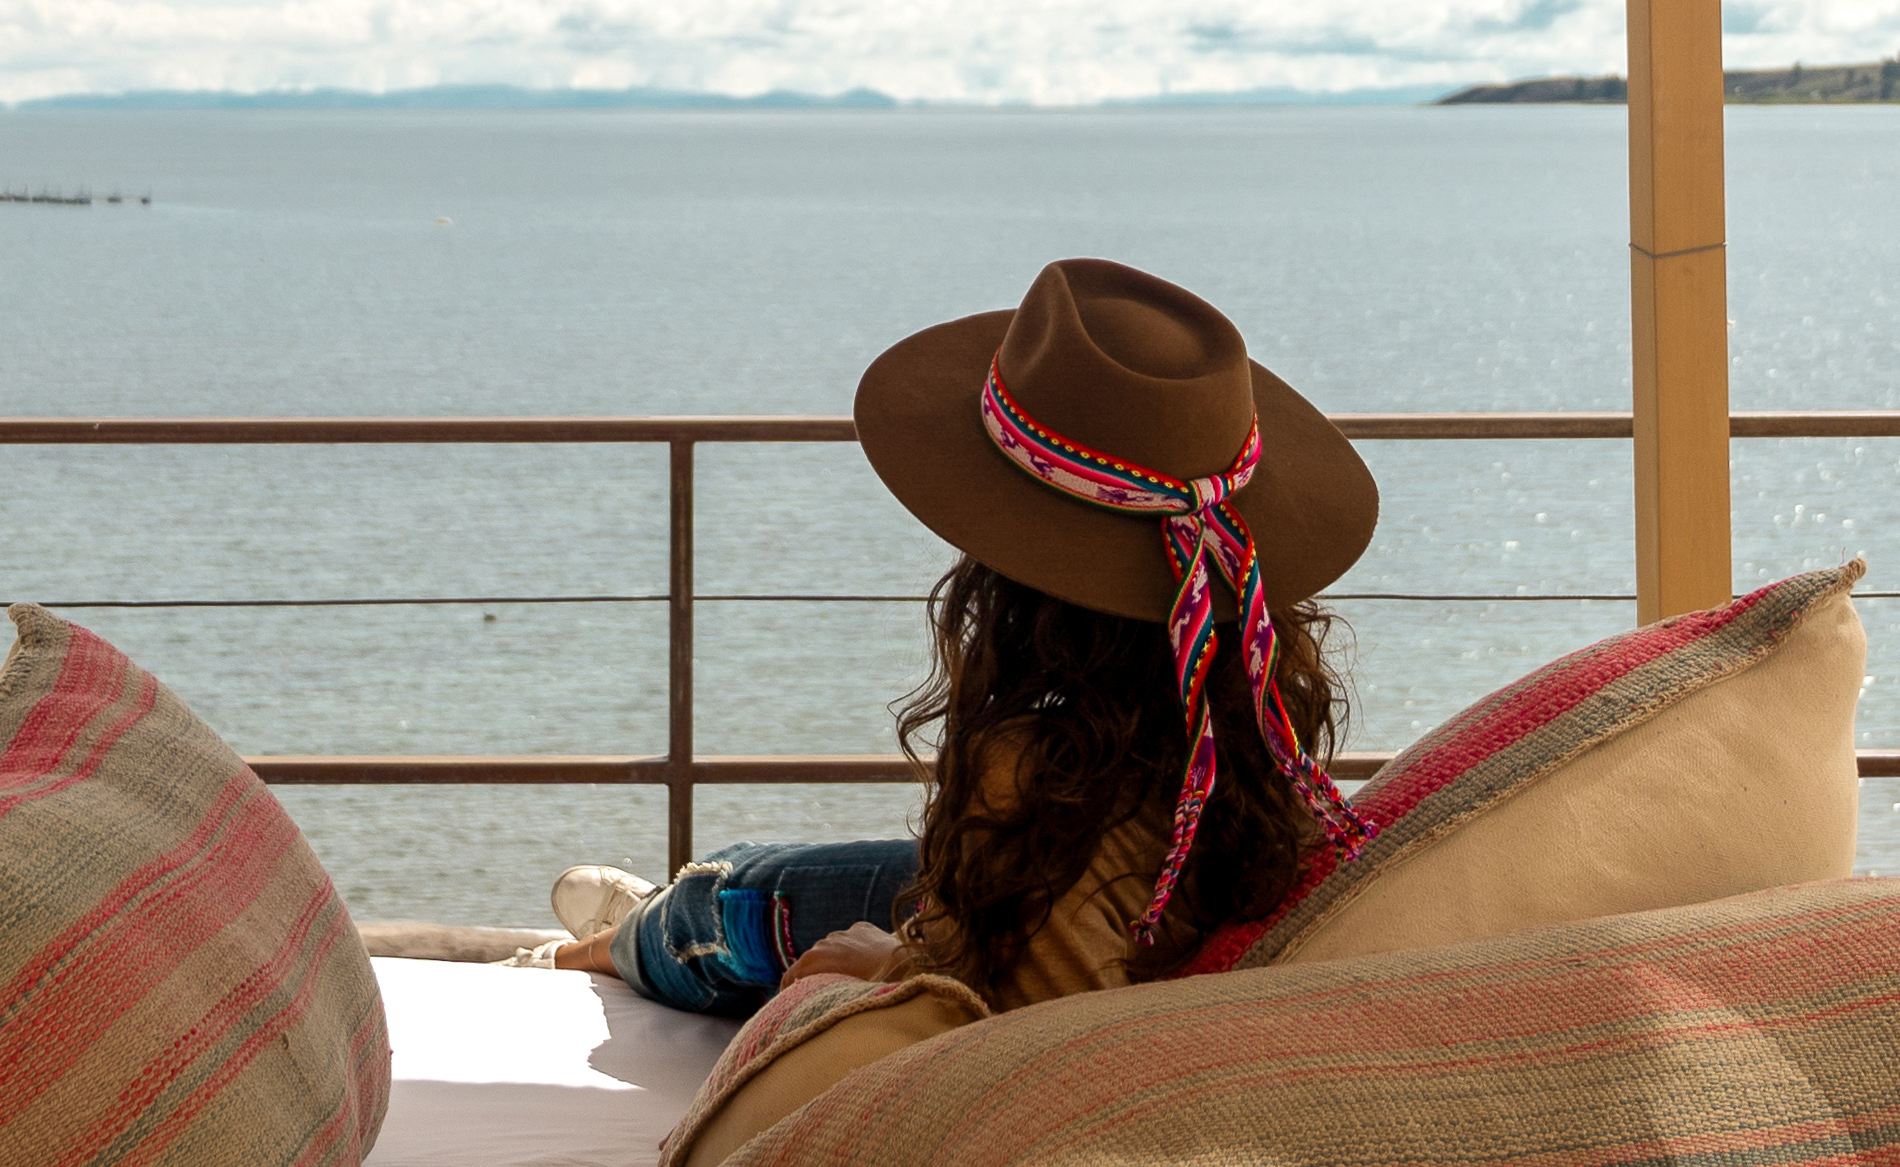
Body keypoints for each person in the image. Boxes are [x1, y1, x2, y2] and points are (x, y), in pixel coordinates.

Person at [545, 256, 1375, 1021]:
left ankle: (595, 951)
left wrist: (887, 967)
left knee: (722, 911)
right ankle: (648, 906)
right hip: (1114, 910)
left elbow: (1017, 1038)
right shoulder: (1260, 722)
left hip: (1018, 920)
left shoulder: (1034, 772)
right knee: (792, 871)